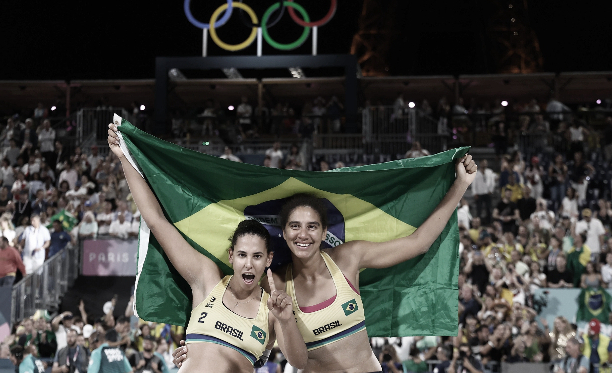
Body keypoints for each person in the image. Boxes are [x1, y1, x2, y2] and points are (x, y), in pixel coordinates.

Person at [176, 155, 478, 372]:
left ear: (323, 233)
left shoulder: (348, 258)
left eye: (311, 226)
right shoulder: (275, 282)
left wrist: (460, 185)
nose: (303, 234)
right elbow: (252, 335)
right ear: (284, 233)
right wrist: (199, 350)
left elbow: (418, 243)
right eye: (294, 226)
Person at [108, 123, 307, 373]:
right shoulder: (206, 279)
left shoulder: (272, 310)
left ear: (268, 260)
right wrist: (125, 156)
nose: (248, 263)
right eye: (242, 255)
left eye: (257, 256)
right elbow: (157, 221)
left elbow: (299, 362)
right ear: (231, 256)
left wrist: (286, 320)